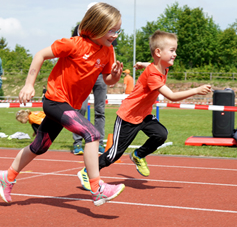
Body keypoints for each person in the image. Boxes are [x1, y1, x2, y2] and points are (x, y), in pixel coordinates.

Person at [0, 2, 125, 206]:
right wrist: (28, 85)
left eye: (118, 30)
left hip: (70, 106)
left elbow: (108, 80)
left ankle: (7, 176)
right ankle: (97, 188)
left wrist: (115, 77)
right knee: (92, 134)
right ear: (96, 26)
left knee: (39, 146)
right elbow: (40, 54)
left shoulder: (108, 51)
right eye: (111, 30)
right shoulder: (73, 44)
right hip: (55, 100)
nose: (115, 35)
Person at [77, 30, 212, 191]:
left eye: (175, 50)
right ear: (158, 52)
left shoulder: (161, 68)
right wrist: (196, 90)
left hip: (143, 116)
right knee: (114, 154)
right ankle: (88, 172)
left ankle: (138, 155)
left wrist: (142, 63)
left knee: (160, 134)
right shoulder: (154, 74)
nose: (175, 54)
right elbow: (172, 96)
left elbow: (153, 65)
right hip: (128, 117)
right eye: (172, 50)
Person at [72, 2, 118, 155]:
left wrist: (112, 73)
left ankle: (99, 143)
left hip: (100, 74)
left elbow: (111, 49)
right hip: (83, 75)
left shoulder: (109, 29)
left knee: (100, 110)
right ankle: (78, 143)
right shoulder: (79, 29)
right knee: (81, 109)